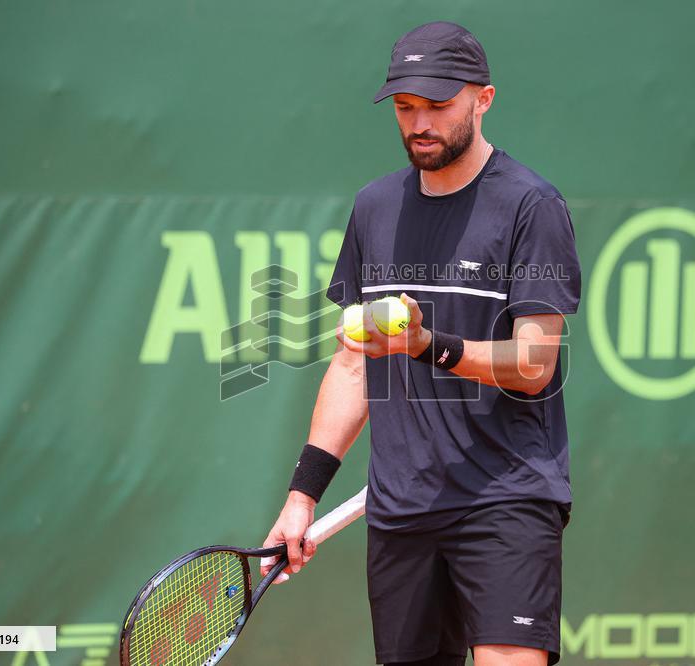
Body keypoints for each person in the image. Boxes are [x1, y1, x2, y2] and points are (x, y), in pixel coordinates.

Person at [261, 21, 581, 666]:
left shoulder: (532, 207)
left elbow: (535, 366)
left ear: (482, 99)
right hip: (401, 510)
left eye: (438, 105)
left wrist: (429, 344)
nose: (419, 124)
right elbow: (354, 365)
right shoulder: (374, 207)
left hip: (506, 498)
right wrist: (301, 498)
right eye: (406, 108)